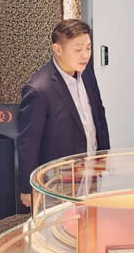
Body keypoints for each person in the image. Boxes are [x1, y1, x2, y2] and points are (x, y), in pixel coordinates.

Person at [17, 19, 110, 208]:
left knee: (89, 219)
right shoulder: (39, 89)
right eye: (78, 50)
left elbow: (98, 114)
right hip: (58, 178)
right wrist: (28, 187)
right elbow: (28, 142)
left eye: (88, 48)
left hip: (91, 170)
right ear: (57, 49)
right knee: (60, 223)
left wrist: (104, 156)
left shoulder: (87, 73)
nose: (85, 55)